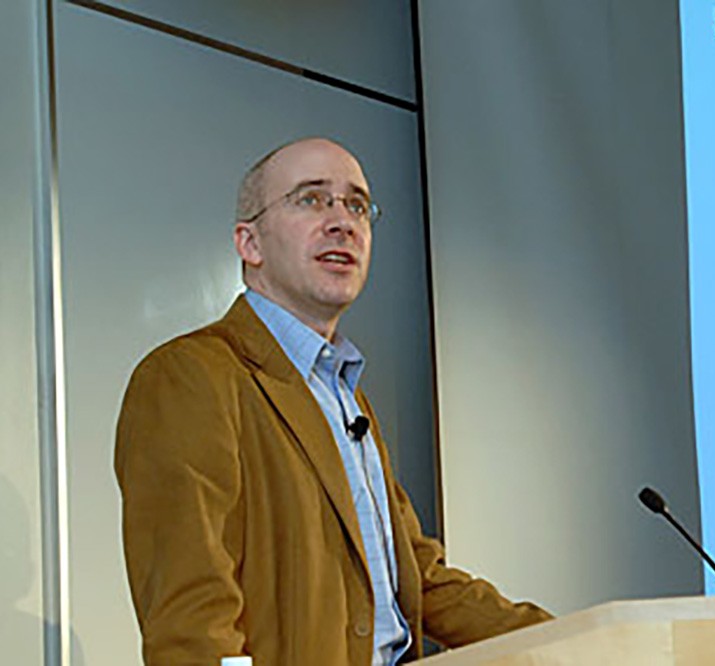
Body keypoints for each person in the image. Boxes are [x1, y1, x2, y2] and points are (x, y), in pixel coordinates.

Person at [115, 137, 552, 665]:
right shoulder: (192, 376)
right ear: (250, 243)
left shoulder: (344, 393)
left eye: (358, 206)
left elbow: (416, 578)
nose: (343, 222)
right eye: (311, 199)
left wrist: (576, 638)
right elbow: (192, 624)